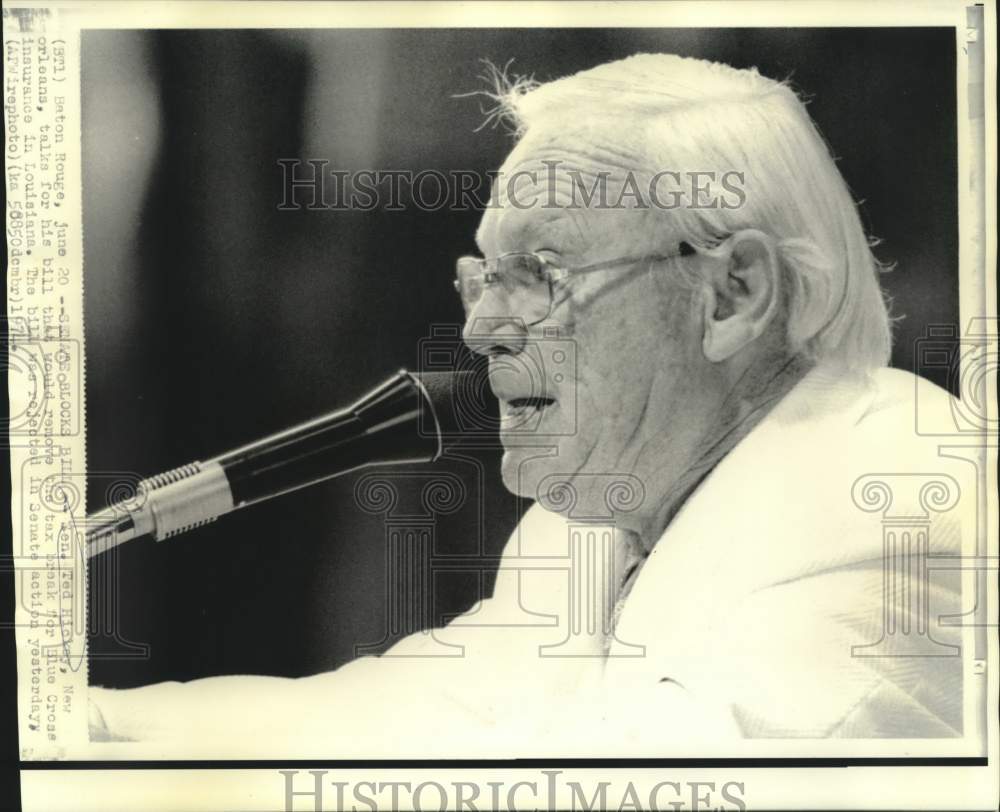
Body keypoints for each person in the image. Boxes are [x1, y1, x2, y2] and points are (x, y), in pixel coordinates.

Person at [89, 53, 974, 756]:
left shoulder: (897, 491)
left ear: (732, 293)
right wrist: (85, 726)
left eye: (542, 277)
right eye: (482, 278)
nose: (480, 332)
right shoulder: (600, 516)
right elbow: (421, 707)